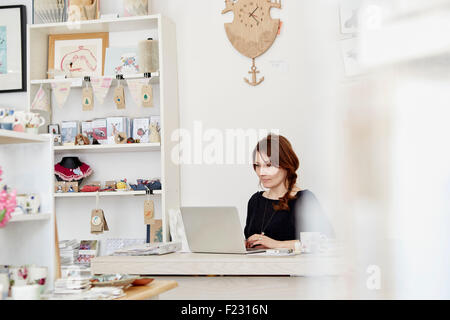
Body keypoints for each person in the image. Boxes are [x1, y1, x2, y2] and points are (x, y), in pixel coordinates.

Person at [245, 134, 334, 250]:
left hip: (291, 268)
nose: (261, 172)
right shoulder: (255, 201)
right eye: (257, 165)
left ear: (286, 164)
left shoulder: (304, 199)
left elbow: (326, 241)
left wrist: (276, 245)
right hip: (255, 268)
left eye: (269, 165)